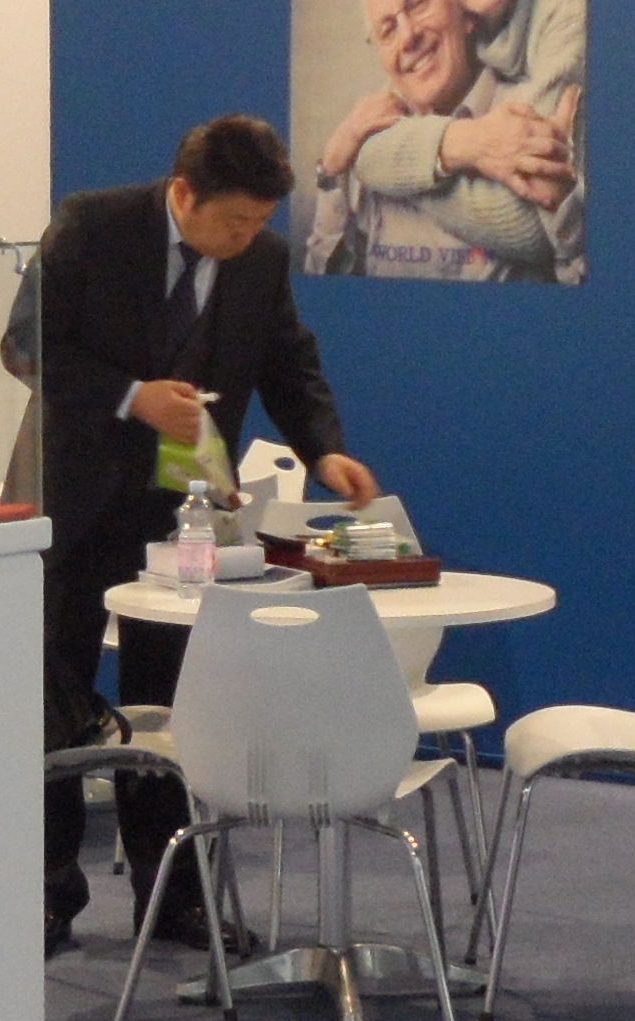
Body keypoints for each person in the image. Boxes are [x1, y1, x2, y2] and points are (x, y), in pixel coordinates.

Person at [30, 116, 384, 954]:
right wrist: (133, 397)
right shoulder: (92, 227)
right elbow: (26, 344)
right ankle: (47, 895)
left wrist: (325, 451)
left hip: (183, 510)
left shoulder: (259, 260)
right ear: (183, 194)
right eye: (233, 221)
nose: (245, 238)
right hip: (74, 503)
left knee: (180, 705)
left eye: (259, 222)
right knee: (57, 702)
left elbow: (288, 362)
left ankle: (174, 899)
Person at [338, 0, 586, 280]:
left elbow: (530, 220)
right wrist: (466, 144)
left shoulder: (568, 16)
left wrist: (409, 168)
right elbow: (373, 145)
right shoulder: (469, 33)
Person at [309, 0, 558, 280]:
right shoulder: (369, 137)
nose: (408, 37)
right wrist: (330, 174)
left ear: (466, 12)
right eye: (388, 30)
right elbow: (324, 286)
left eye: (418, 4)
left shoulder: (531, 108)